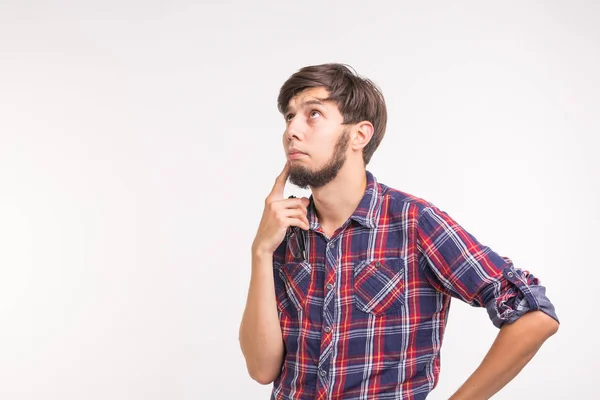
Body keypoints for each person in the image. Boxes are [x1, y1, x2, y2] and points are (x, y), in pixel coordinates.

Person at [238, 63, 559, 400]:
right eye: (289, 117)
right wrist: (260, 252)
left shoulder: (414, 222)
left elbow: (534, 316)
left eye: (313, 114)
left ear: (359, 135)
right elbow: (261, 369)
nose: (292, 130)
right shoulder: (286, 230)